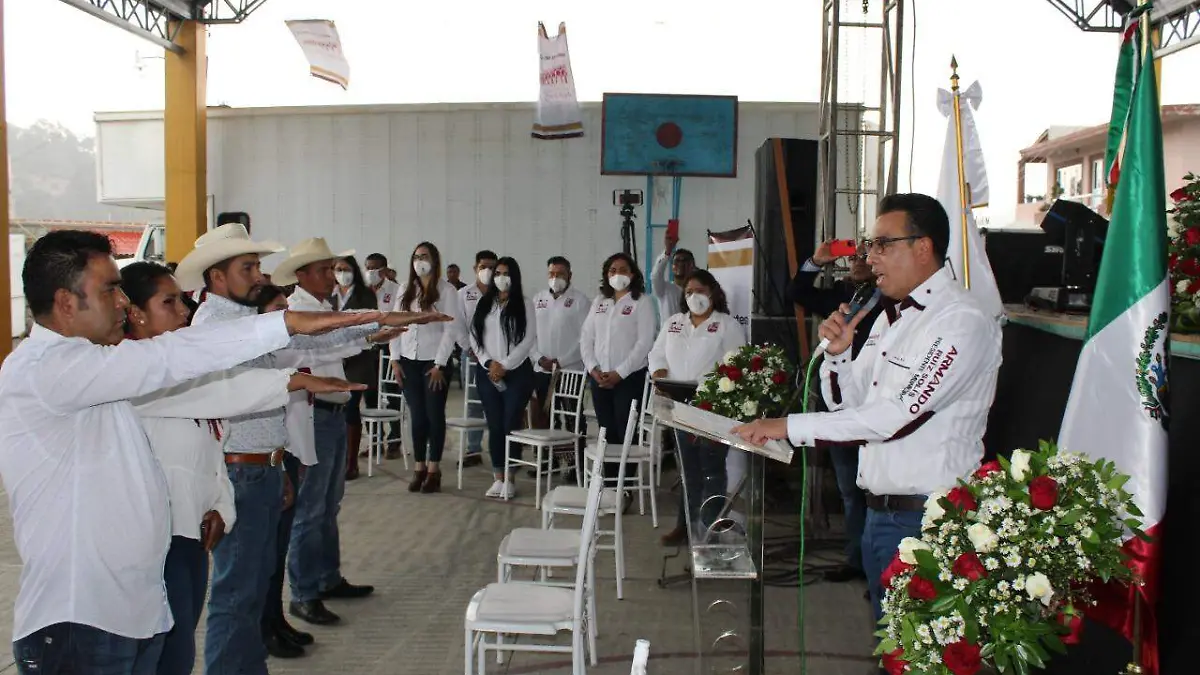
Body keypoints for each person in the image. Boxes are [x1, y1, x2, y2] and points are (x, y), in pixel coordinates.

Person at [0, 230, 376, 675]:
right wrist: (285, 325)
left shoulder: (98, 371)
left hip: (129, 612)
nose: (122, 302)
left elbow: (201, 399)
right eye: (109, 289)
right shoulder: (46, 370)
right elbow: (170, 358)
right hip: (79, 621)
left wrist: (291, 382)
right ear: (66, 302)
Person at [176, 224, 443, 675]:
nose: (259, 276)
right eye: (248, 267)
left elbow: (309, 341)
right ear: (217, 278)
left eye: (258, 266)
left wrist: (378, 329)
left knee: (254, 587)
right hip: (240, 472)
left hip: (262, 466)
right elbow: (287, 357)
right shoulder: (215, 326)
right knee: (236, 594)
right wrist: (359, 335)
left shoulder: (244, 320)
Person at [733, 193, 1003, 623]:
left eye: (882, 244)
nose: (870, 256)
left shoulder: (960, 322)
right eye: (869, 245)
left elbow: (895, 419)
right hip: (879, 516)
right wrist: (838, 356)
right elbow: (849, 405)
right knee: (889, 647)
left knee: (921, 656)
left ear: (923, 247)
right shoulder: (885, 318)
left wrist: (785, 426)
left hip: (929, 520)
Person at [120, 262, 363, 675]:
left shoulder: (191, 351)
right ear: (137, 313)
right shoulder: (140, 368)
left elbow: (212, 437)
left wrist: (221, 502)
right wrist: (297, 382)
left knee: (238, 597)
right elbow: (227, 396)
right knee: (223, 605)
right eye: (170, 302)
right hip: (162, 530)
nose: (184, 311)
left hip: (201, 517)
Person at [271, 238, 382, 628]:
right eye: (323, 270)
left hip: (332, 413)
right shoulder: (299, 311)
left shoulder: (321, 307)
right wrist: (364, 339)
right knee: (311, 506)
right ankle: (304, 592)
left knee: (329, 503)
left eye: (331, 269)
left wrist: (366, 337)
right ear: (302, 275)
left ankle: (326, 577)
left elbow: (335, 348)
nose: (331, 276)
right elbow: (312, 357)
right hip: (314, 414)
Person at [788, 239, 880, 584]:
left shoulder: (890, 300)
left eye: (865, 255)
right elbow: (797, 291)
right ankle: (857, 559)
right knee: (849, 487)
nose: (859, 260)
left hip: (878, 405)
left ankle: (878, 565)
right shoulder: (844, 295)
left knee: (878, 491)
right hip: (839, 401)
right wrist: (815, 260)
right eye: (854, 256)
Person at [649, 269, 746, 546]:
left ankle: (708, 530)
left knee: (711, 470)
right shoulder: (674, 323)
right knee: (689, 472)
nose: (694, 296)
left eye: (700, 290)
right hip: (681, 407)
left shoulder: (726, 325)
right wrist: (659, 372)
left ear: (713, 292)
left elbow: (737, 364)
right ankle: (686, 526)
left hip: (713, 409)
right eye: (689, 292)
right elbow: (656, 353)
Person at [389, 241, 463, 493]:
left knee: (434, 416)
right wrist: (395, 360)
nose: (420, 260)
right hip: (409, 361)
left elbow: (450, 329)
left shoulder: (447, 291)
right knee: (417, 417)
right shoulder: (404, 289)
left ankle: (434, 468)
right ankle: (419, 465)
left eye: (425, 256)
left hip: (435, 364)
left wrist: (440, 363)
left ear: (434, 260)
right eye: (416, 256)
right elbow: (395, 324)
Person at [580, 252, 657, 486]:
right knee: (606, 430)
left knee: (626, 431)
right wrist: (593, 368)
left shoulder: (641, 302)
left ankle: (626, 485)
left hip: (629, 378)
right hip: (599, 377)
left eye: (623, 270)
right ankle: (609, 481)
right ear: (606, 275)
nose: (617, 274)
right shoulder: (599, 302)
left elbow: (644, 343)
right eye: (613, 270)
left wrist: (619, 373)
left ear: (632, 274)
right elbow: (586, 337)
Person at [469, 257, 537, 499]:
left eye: (506, 273)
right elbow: (474, 337)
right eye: (497, 272)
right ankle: (497, 476)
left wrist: (505, 366)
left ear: (514, 276)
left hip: (517, 372)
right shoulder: (485, 303)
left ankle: (510, 476)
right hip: (487, 371)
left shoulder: (525, 304)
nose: (500, 277)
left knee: (510, 423)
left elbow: (528, 340)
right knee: (495, 424)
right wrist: (489, 363)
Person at [332, 256, 380, 480]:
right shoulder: (329, 296)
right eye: (338, 269)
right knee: (336, 412)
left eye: (346, 269)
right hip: (331, 360)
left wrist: (348, 349)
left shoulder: (365, 295)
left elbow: (369, 327)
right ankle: (338, 458)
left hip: (358, 360)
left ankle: (351, 463)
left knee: (351, 409)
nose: (342, 273)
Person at [455, 250, 498, 464]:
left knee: (496, 401)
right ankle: (473, 449)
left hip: (498, 359)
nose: (487, 271)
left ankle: (499, 448)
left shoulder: (503, 293)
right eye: (483, 267)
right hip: (471, 356)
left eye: (492, 267)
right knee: (473, 403)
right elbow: (457, 324)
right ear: (475, 269)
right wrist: (468, 347)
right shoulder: (464, 294)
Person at [364, 253, 402, 453]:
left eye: (375, 269)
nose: (371, 273)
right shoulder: (361, 292)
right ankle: (375, 441)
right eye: (368, 268)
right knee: (370, 395)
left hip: (389, 348)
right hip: (368, 348)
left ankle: (395, 439)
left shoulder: (396, 291)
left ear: (385, 270)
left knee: (392, 394)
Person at [650, 231, 696, 324]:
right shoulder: (664, 289)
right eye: (677, 261)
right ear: (672, 266)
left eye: (685, 261)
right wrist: (667, 251)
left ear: (693, 266)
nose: (681, 264)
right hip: (669, 337)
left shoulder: (698, 291)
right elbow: (655, 275)